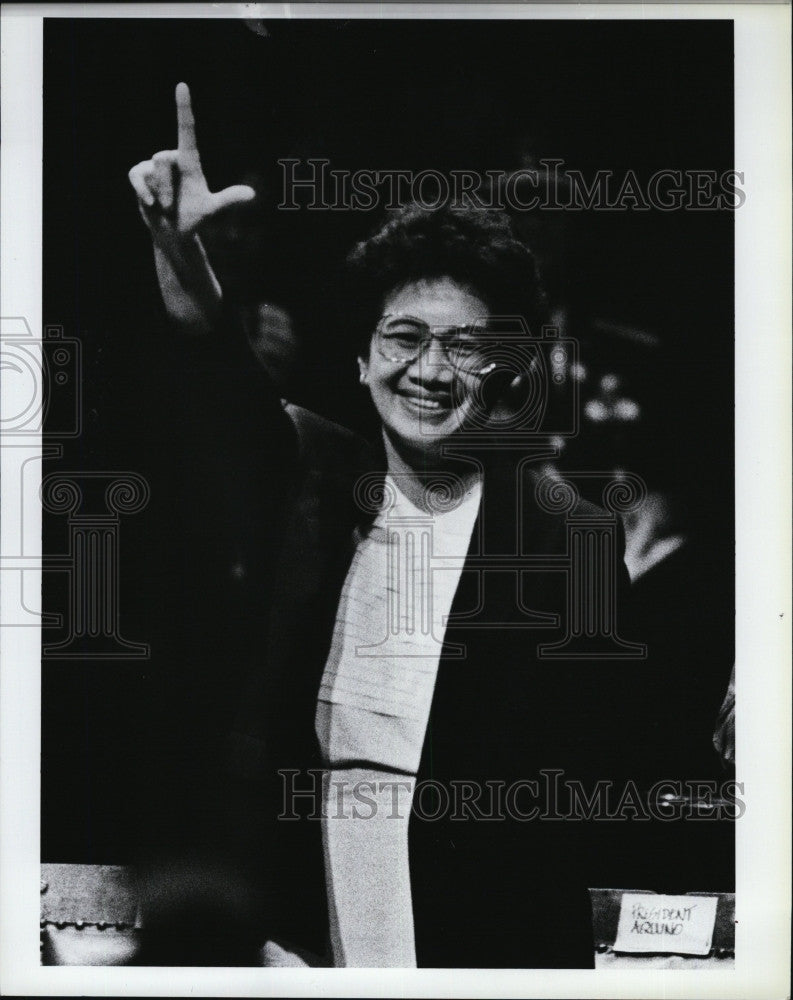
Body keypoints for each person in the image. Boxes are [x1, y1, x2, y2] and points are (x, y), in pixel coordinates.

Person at [128, 83, 642, 969]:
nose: (431, 370)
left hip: (475, 948)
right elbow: (226, 383)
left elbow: (592, 800)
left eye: (466, 346)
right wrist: (179, 254)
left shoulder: (569, 542)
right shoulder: (310, 473)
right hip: (292, 936)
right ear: (362, 356)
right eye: (404, 337)